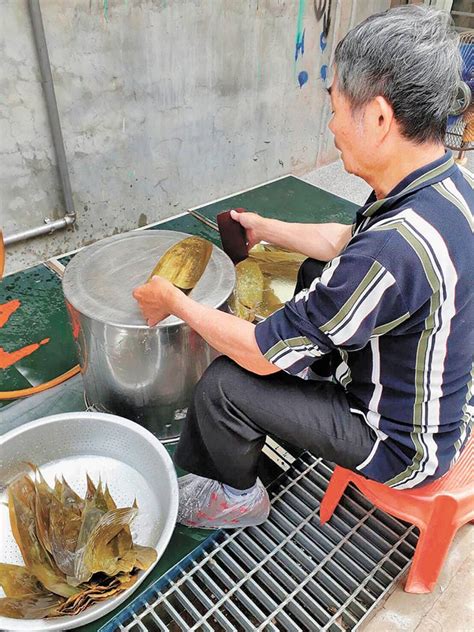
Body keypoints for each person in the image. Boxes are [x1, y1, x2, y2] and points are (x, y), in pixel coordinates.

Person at [134, 5, 473, 530]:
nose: (333, 124)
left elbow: (262, 356)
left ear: (380, 118)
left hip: (400, 446)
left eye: (336, 106)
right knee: (319, 267)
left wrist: (175, 302)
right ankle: (312, 371)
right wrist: (267, 227)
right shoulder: (444, 185)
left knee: (227, 382)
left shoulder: (393, 249)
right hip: (430, 404)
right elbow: (346, 241)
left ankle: (237, 498)